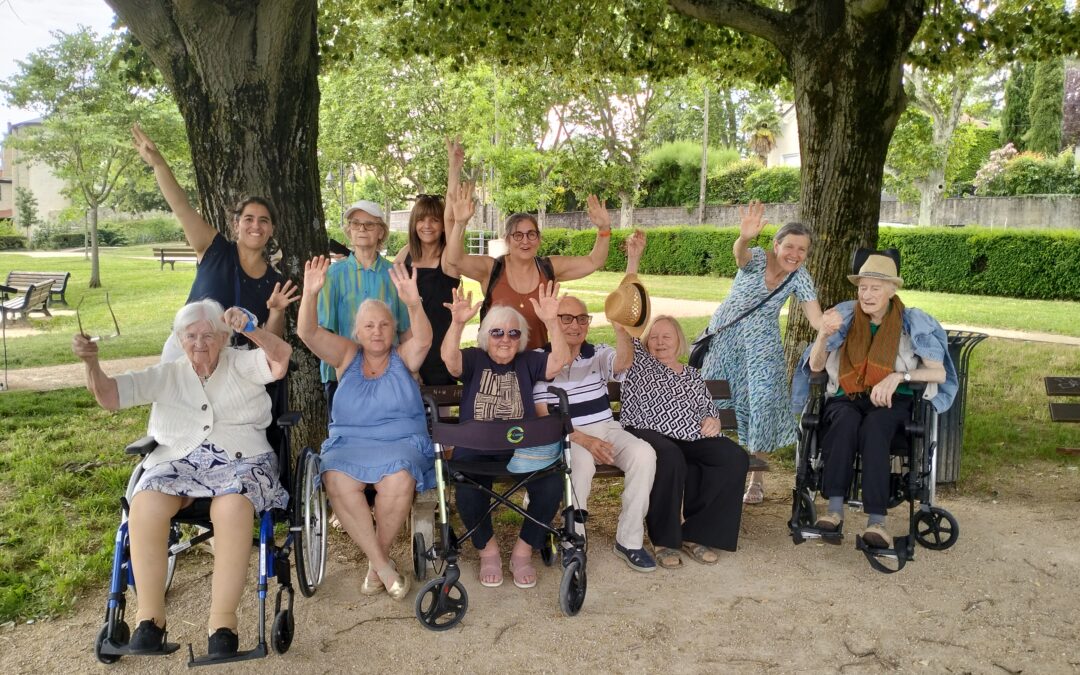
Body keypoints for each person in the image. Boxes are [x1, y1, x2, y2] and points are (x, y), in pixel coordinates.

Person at [72, 299, 292, 657]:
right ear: (179, 338)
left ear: (224, 337)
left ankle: (223, 625)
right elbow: (110, 395)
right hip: (177, 460)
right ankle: (149, 621)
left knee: (233, 508)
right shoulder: (169, 372)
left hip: (242, 459)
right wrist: (91, 363)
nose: (200, 343)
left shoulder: (242, 362)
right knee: (144, 504)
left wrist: (251, 330)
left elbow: (281, 359)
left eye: (209, 335)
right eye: (191, 335)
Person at [297, 255, 434, 601]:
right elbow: (308, 332)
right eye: (369, 326)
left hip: (401, 441)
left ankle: (376, 565)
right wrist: (311, 294)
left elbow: (424, 339)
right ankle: (384, 567)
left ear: (393, 329)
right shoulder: (346, 355)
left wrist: (413, 303)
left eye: (384, 325)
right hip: (350, 443)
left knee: (399, 478)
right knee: (336, 479)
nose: (377, 332)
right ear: (356, 332)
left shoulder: (404, 357)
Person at [807, 249, 954, 550]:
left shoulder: (912, 323)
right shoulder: (846, 318)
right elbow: (816, 367)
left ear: (891, 290)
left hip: (893, 401)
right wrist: (822, 335)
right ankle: (834, 512)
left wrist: (900, 377)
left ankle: (877, 523)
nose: (867, 294)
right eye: (863, 287)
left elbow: (938, 373)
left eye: (875, 288)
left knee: (875, 427)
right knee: (844, 420)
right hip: (848, 395)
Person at [533, 230, 658, 573]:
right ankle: (575, 538)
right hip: (567, 437)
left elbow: (622, 364)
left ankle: (629, 540)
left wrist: (620, 328)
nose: (575, 325)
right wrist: (583, 438)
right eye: (566, 318)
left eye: (582, 319)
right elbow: (545, 417)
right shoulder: (540, 362)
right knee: (583, 462)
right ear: (553, 322)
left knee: (644, 455)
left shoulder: (597, 353)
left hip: (605, 427)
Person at [441, 281, 570, 589]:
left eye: (513, 333)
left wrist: (552, 321)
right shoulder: (474, 359)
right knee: (468, 489)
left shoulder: (528, 361)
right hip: (476, 446)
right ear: (486, 336)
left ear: (521, 339)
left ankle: (524, 552)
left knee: (552, 484)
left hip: (521, 447)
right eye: (497, 332)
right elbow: (450, 361)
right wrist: (457, 324)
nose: (505, 339)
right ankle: (489, 552)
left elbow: (560, 360)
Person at [131, 124, 298, 361]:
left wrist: (277, 311)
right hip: (184, 352)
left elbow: (271, 346)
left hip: (230, 364)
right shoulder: (214, 248)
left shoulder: (275, 282)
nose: (255, 226)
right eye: (248, 219)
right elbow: (181, 207)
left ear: (271, 229)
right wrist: (158, 164)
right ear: (236, 224)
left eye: (264, 221)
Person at [698, 201, 822, 505]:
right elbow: (740, 257)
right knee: (713, 400)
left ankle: (755, 478)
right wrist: (744, 237)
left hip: (762, 343)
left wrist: (829, 325)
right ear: (776, 244)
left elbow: (816, 318)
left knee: (763, 402)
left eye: (802, 250)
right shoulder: (756, 257)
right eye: (789, 246)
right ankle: (711, 468)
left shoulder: (800, 277)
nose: (794, 254)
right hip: (726, 337)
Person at [619, 314, 750, 570]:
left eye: (666, 336)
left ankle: (696, 533)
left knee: (732, 457)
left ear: (679, 340)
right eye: (653, 338)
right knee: (670, 456)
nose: (660, 342)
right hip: (646, 430)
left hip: (689, 434)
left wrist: (713, 420)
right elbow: (629, 320)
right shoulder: (640, 363)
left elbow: (707, 409)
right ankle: (664, 540)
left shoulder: (691, 374)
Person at [444, 166, 613, 350]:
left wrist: (604, 229)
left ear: (539, 239)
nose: (525, 241)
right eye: (518, 235)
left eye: (531, 234)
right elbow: (455, 259)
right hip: (495, 366)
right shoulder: (492, 269)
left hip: (537, 368)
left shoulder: (549, 268)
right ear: (507, 240)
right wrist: (460, 223)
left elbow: (594, 261)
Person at [317, 199, 411, 409]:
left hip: (388, 372)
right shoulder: (332, 275)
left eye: (369, 224)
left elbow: (405, 330)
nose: (361, 229)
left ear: (381, 232)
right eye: (355, 223)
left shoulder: (395, 275)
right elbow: (323, 331)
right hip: (343, 374)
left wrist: (411, 371)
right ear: (348, 231)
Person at [392, 138, 465, 385]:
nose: (427, 226)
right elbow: (396, 310)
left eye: (434, 220)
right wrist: (409, 365)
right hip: (408, 356)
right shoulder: (405, 255)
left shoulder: (448, 259)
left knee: (440, 422)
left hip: (440, 358)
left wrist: (454, 168)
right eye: (421, 220)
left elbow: (453, 216)